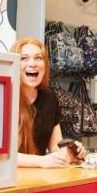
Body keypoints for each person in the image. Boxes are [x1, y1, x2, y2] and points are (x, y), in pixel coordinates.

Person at [11, 37, 86, 167]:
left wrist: (70, 153)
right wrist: (41, 161)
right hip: (9, 181)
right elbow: (0, 155)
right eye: (24, 58)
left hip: (40, 181)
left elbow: (56, 148)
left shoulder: (50, 98)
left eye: (38, 58)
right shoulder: (5, 97)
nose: (32, 63)